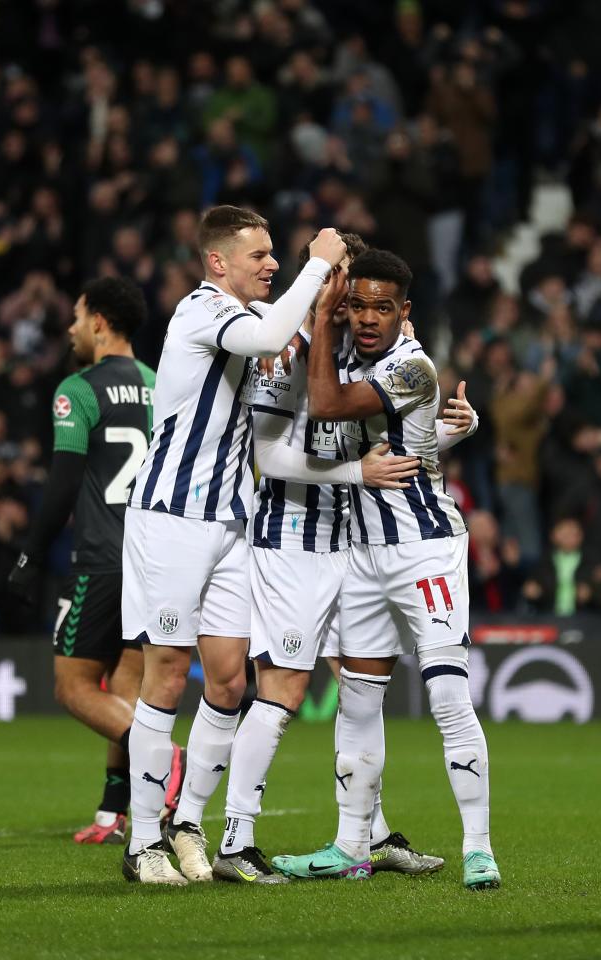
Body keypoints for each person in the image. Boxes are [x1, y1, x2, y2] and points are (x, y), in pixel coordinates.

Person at [119, 207, 414, 886]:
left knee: (227, 681)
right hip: (172, 515)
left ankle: (191, 824)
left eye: (277, 256)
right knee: (165, 672)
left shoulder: (265, 333)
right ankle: (142, 842)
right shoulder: (203, 310)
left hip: (230, 522)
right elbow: (275, 342)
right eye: (260, 256)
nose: (273, 263)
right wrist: (319, 264)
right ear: (218, 261)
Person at [210, 234, 478, 882]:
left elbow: (391, 441)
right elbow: (270, 455)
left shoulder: (363, 355)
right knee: (280, 690)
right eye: (342, 283)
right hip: (295, 536)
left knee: (361, 698)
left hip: (352, 541)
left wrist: (449, 431)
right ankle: (227, 837)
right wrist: (356, 473)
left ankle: (370, 835)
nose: (353, 303)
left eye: (360, 290)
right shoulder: (288, 353)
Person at [271, 249, 502, 891]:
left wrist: (321, 316)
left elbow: (325, 404)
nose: (367, 319)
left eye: (382, 307)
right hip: (360, 552)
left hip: (423, 546)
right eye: (359, 305)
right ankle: (351, 845)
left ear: (405, 313)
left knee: (448, 695)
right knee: (357, 697)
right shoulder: (344, 353)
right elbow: (402, 440)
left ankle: (479, 848)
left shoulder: (412, 365)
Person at [5, 277, 167, 845]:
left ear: (99, 322)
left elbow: (64, 481)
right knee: (127, 688)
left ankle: (170, 760)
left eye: (76, 317)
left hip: (101, 556)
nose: (71, 328)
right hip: (156, 558)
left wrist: (29, 555)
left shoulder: (79, 388)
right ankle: (113, 810)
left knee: (73, 688)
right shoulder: (159, 384)